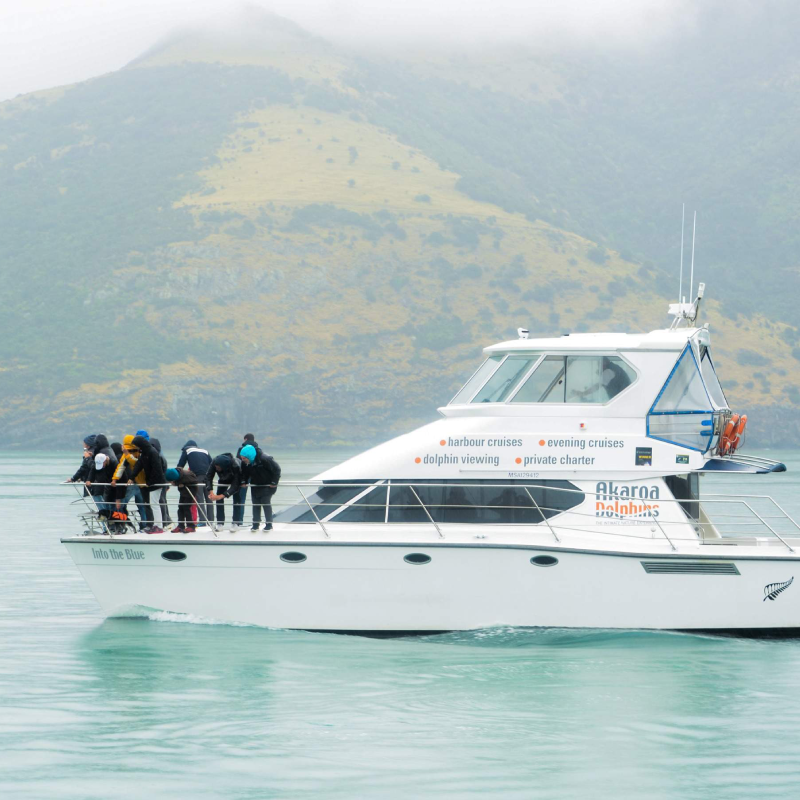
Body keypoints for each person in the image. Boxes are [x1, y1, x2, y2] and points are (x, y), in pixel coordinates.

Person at [129, 435, 166, 533]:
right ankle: (157, 525)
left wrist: (150, 482)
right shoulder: (145, 452)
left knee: (154, 504)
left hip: (156, 482)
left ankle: (159, 526)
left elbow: (157, 469)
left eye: (137, 445)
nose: (137, 448)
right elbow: (139, 465)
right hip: (152, 482)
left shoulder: (152, 452)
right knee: (153, 503)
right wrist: (132, 477)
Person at [239, 444, 281, 531]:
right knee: (255, 504)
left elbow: (277, 469)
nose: (243, 460)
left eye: (244, 458)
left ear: (249, 456)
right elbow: (245, 473)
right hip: (255, 484)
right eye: (242, 458)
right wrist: (244, 481)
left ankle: (269, 524)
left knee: (265, 503)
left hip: (268, 484)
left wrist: (274, 482)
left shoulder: (265, 459)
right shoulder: (246, 463)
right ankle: (255, 524)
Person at [112, 434, 149, 529]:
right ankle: (144, 525)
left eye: (131, 449)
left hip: (138, 483)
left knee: (122, 504)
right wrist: (115, 478)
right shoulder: (126, 455)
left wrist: (128, 454)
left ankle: (123, 525)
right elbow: (121, 466)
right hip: (137, 483)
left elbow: (137, 464)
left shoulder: (139, 453)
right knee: (142, 505)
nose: (130, 451)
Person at [176, 439, 213, 526]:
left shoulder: (187, 450)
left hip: (198, 476)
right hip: (208, 477)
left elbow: (180, 466)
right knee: (209, 499)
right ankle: (211, 521)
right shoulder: (205, 451)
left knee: (199, 498)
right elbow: (212, 464)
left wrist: (177, 479)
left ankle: (203, 521)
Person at [205, 453, 243, 531]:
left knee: (237, 499)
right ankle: (220, 523)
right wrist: (211, 492)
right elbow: (208, 477)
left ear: (224, 466)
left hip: (236, 478)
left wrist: (221, 496)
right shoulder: (214, 462)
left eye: (218, 468)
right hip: (223, 478)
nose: (217, 469)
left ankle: (236, 523)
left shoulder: (235, 465)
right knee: (218, 501)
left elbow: (235, 486)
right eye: (216, 467)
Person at [233, 434, 258, 526]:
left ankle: (239, 522)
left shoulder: (241, 449)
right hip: (255, 476)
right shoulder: (257, 449)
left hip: (244, 476)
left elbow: (238, 463)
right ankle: (255, 522)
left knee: (241, 499)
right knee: (255, 500)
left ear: (246, 439)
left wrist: (241, 480)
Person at [165, 467, 199, 533]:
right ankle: (181, 526)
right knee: (180, 508)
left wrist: (179, 483)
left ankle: (191, 526)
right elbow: (177, 481)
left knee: (186, 507)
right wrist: (177, 483)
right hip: (183, 491)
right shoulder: (176, 473)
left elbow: (195, 481)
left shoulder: (187, 476)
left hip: (191, 491)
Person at [150, 438, 172, 527]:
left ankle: (164, 522)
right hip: (163, 483)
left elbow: (162, 471)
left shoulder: (159, 457)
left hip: (160, 483)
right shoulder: (160, 456)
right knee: (162, 501)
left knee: (161, 501)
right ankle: (167, 520)